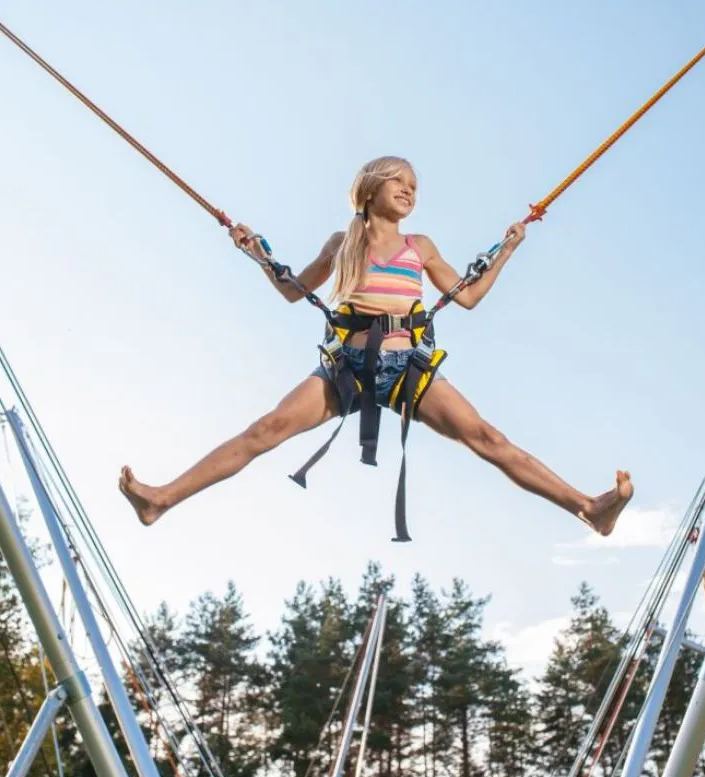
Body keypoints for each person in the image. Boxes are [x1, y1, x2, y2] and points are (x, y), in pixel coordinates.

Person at [119, 156, 633, 535]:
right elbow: (293, 291)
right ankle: (162, 499)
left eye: (415, 185)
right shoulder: (341, 244)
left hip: (407, 364)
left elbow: (469, 295)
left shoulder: (420, 247)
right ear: (369, 188)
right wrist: (256, 254)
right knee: (267, 430)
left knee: (487, 438)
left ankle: (587, 508)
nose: (410, 190)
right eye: (399, 181)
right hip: (346, 367)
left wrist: (507, 249)